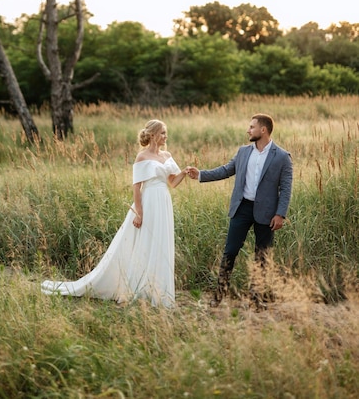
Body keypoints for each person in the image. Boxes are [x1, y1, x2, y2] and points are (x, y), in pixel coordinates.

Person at [41, 119, 188, 308]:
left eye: (166, 133)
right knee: (144, 242)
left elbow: (173, 182)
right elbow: (137, 188)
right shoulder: (142, 157)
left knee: (160, 242)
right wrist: (139, 213)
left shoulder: (167, 155)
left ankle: (159, 292)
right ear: (152, 135)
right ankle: (138, 289)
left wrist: (184, 172)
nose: (165, 137)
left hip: (164, 202)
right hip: (149, 201)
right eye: (162, 133)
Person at [187, 113, 293, 307]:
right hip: (242, 207)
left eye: (252, 127)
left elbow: (286, 188)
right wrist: (201, 174)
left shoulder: (282, 157)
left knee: (262, 256)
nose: (248, 130)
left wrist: (280, 214)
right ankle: (219, 296)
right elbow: (226, 170)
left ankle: (256, 299)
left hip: (268, 213)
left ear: (263, 130)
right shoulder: (243, 152)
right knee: (230, 251)